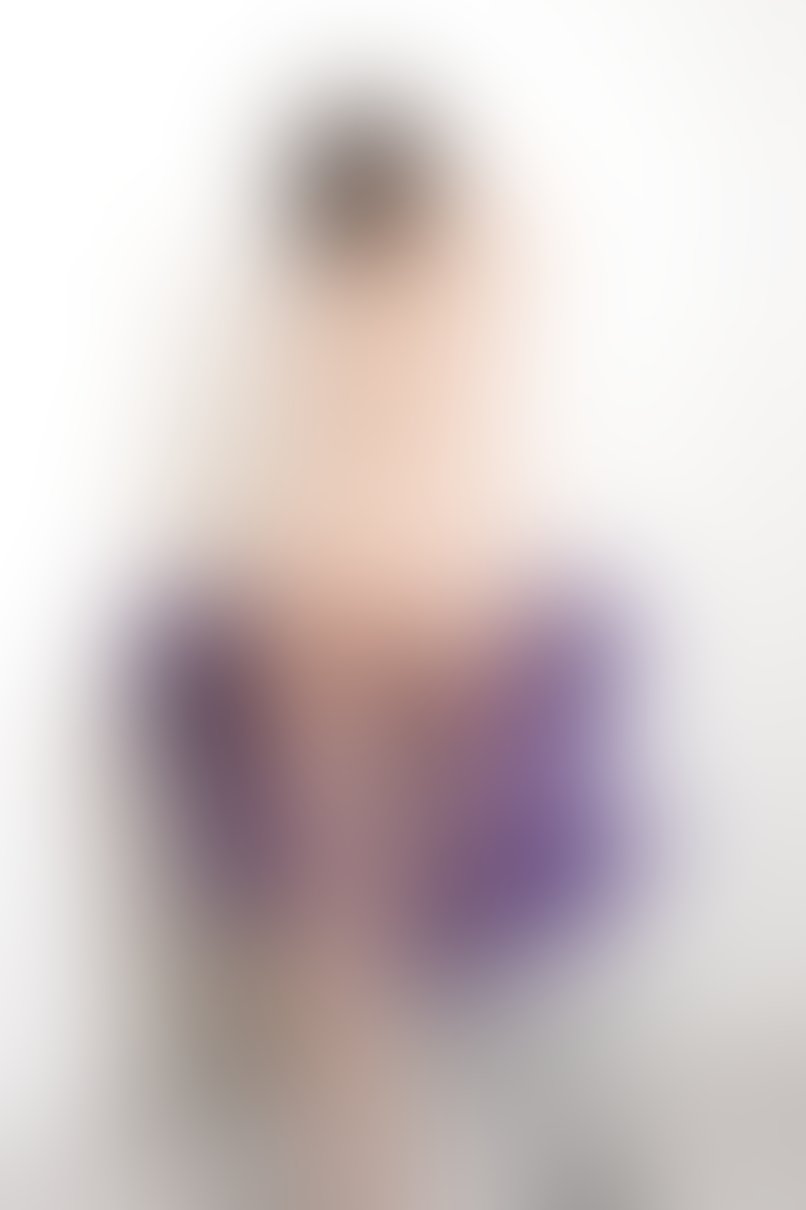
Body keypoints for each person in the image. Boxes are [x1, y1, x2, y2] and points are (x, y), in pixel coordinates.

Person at [131, 96, 644, 1209]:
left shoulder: (346, 295)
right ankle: (384, 1166)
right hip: (407, 592)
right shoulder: (465, 271)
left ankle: (371, 1171)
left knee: (351, 927)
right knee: (382, 924)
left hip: (339, 592)